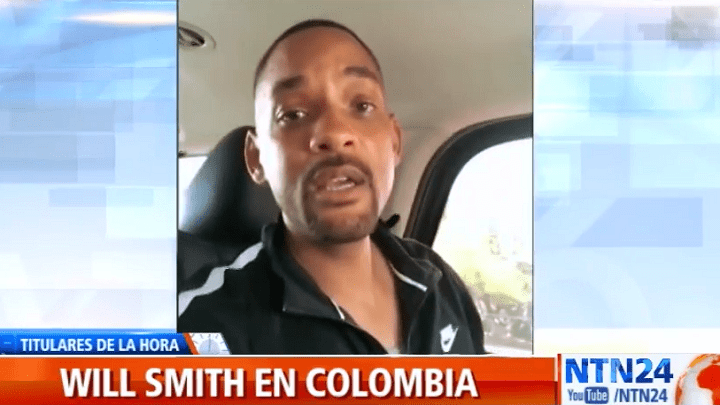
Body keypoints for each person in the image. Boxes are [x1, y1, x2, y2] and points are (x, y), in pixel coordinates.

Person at [178, 19, 486, 355]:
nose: (335, 133)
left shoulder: (437, 280)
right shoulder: (203, 327)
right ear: (256, 158)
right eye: (293, 114)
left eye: (362, 106)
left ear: (395, 142)